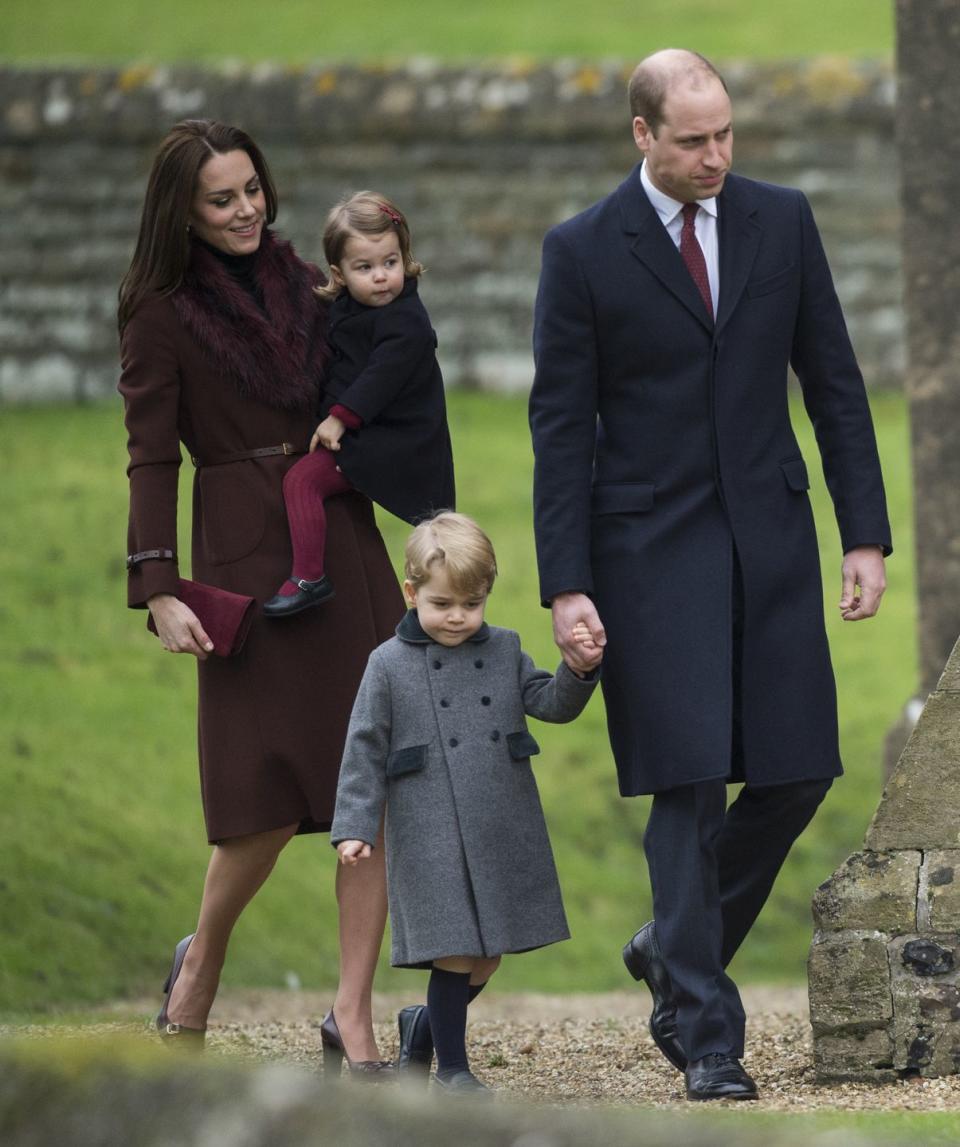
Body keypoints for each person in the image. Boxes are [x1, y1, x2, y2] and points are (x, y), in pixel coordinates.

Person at [529, 49, 891, 1101]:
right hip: (646, 553)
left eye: (726, 133)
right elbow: (559, 429)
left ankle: (671, 949)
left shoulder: (783, 220)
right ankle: (706, 1033)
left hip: (771, 541)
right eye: (693, 140)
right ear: (642, 135)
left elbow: (834, 379)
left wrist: (862, 534)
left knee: (797, 768)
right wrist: (569, 583)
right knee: (685, 784)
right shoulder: (584, 250)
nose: (717, 156)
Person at [118, 119, 405, 1076]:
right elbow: (152, 456)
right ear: (183, 211)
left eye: (252, 190)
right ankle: (200, 963)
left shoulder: (309, 282)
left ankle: (353, 1016)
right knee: (260, 803)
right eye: (221, 199)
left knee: (370, 793)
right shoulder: (158, 311)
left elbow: (387, 364)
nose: (245, 211)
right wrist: (157, 585)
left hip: (343, 542)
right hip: (242, 556)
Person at [330, 512, 600, 1093]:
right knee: (454, 952)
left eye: (472, 604)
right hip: (428, 827)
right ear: (412, 593)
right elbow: (363, 748)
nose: (457, 617)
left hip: (501, 819)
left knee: (487, 957)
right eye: (443, 603)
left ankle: (422, 1027)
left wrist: (580, 669)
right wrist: (354, 827)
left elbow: (550, 703)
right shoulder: (387, 664)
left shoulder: (503, 649)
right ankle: (453, 1069)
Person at [263, 192, 455, 617]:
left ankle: (309, 577)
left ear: (404, 256)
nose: (382, 277)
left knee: (302, 482)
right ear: (339, 273)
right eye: (364, 268)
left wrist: (338, 418)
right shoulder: (347, 310)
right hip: (371, 434)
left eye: (390, 262)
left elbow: (379, 377)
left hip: (394, 442)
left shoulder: (407, 321)